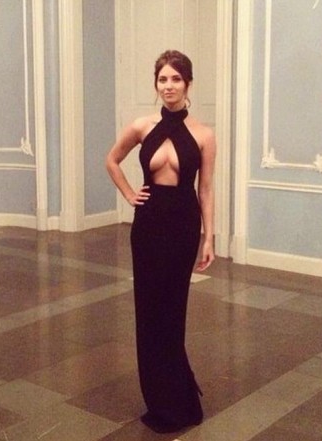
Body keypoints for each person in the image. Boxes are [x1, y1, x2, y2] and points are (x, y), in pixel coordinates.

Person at [106, 49, 216, 433]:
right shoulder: (142, 126)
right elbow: (112, 160)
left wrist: (208, 237)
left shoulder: (204, 135)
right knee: (149, 311)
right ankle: (159, 399)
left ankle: (179, 398)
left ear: (188, 84)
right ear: (156, 85)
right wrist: (129, 194)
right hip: (149, 225)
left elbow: (206, 189)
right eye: (162, 79)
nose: (169, 86)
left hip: (183, 225)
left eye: (176, 79)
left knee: (173, 311)